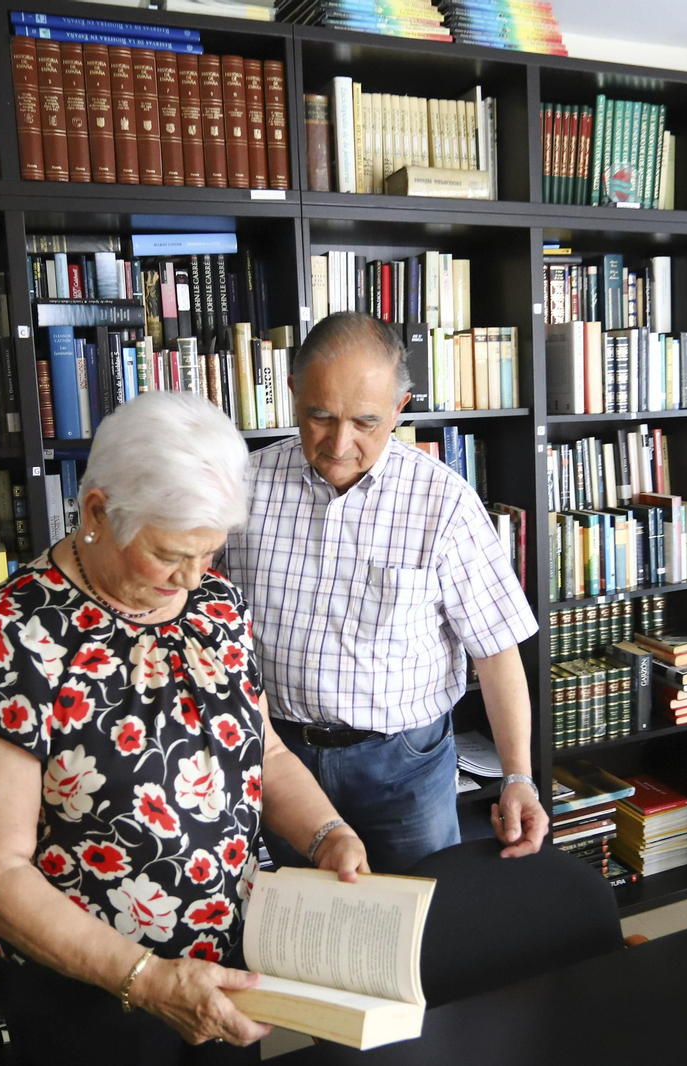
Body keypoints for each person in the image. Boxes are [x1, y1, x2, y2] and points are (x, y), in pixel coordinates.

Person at [0, 391, 368, 1066]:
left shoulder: (215, 606)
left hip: (225, 975)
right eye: (170, 553)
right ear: (99, 511)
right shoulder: (6, 641)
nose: (193, 578)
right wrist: (149, 979)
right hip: (91, 999)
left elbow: (265, 752)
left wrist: (327, 832)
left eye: (209, 552)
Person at [221, 312, 547, 874]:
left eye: (366, 422)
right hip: (274, 756)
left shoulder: (443, 501)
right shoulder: (241, 487)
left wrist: (518, 776)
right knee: (291, 932)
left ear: (400, 409)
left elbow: (495, 652)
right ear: (293, 391)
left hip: (404, 768)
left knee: (413, 931)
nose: (339, 443)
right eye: (319, 416)